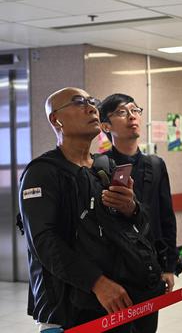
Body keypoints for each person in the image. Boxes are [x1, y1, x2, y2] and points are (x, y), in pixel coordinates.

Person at [18, 87, 162, 332]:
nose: (91, 108)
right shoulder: (42, 173)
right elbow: (44, 242)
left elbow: (137, 226)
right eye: (78, 102)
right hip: (70, 308)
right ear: (56, 119)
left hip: (119, 299)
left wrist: (131, 208)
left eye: (92, 102)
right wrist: (97, 283)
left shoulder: (105, 167)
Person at [98, 94, 178, 291]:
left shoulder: (156, 165)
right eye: (122, 112)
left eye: (135, 110)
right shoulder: (99, 166)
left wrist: (169, 266)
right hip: (115, 269)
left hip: (152, 266)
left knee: (149, 322)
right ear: (106, 126)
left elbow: (166, 217)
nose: (132, 116)